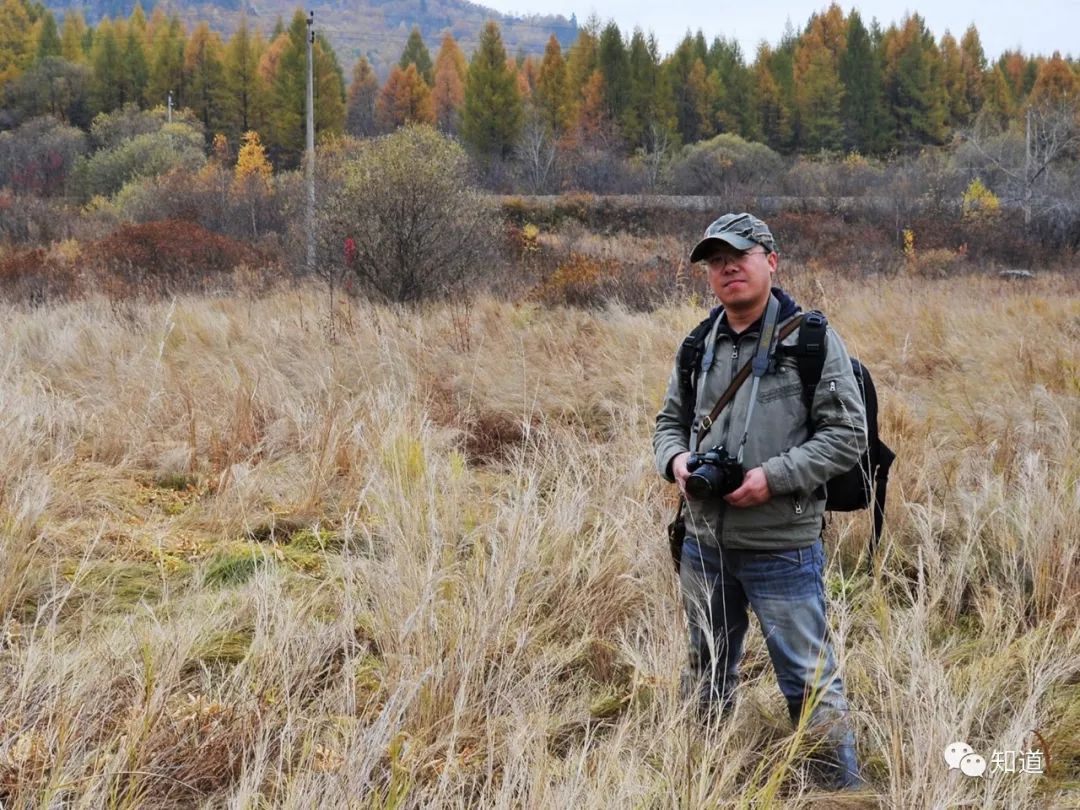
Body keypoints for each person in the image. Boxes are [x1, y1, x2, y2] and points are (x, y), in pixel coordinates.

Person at [652, 213, 868, 790]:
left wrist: (771, 479)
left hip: (781, 546)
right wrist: (675, 461)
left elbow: (847, 437)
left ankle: (839, 793)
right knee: (705, 671)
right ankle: (701, 779)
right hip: (704, 543)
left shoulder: (813, 340)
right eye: (715, 262)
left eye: (739, 256)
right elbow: (667, 423)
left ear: (770, 261)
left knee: (808, 678)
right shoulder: (698, 343)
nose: (727, 269)